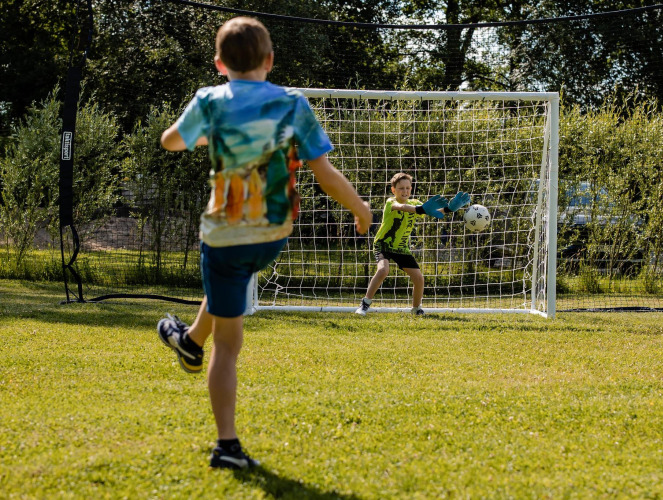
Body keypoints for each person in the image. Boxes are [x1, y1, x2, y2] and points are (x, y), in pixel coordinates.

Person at [155, 16, 372, 470]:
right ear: (270, 60)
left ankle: (226, 446)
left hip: (226, 232)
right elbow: (326, 175)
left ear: (218, 64)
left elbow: (170, 142)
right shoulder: (293, 103)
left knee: (228, 346)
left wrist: (195, 133)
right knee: (227, 288)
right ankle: (190, 340)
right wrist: (360, 209)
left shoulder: (209, 101)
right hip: (273, 235)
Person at [354, 172, 469, 316]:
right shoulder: (391, 202)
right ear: (393, 190)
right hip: (383, 244)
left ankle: (416, 309)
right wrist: (421, 209)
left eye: (408, 188)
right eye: (401, 188)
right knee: (383, 270)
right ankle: (365, 305)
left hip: (401, 248)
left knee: (419, 278)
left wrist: (449, 209)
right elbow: (403, 208)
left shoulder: (415, 203)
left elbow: (432, 211)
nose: (405, 191)